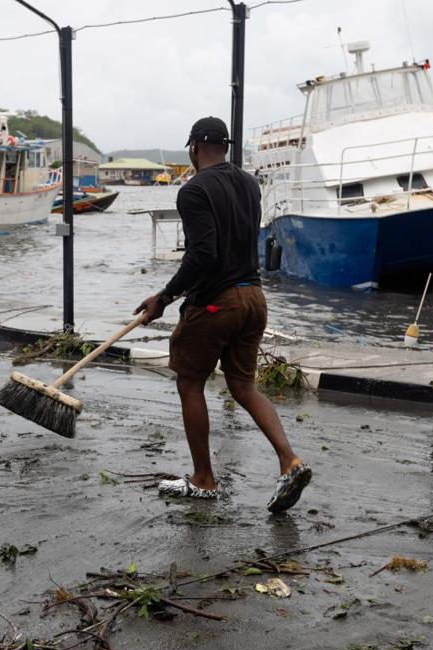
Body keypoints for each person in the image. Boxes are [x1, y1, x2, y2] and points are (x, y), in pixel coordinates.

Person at [133, 116, 311, 514]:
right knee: (244, 386)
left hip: (216, 304)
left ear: (194, 148)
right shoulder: (250, 183)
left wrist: (164, 296)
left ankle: (204, 480)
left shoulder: (193, 190)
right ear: (226, 148)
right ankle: (290, 461)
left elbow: (204, 254)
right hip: (253, 298)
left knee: (190, 382)